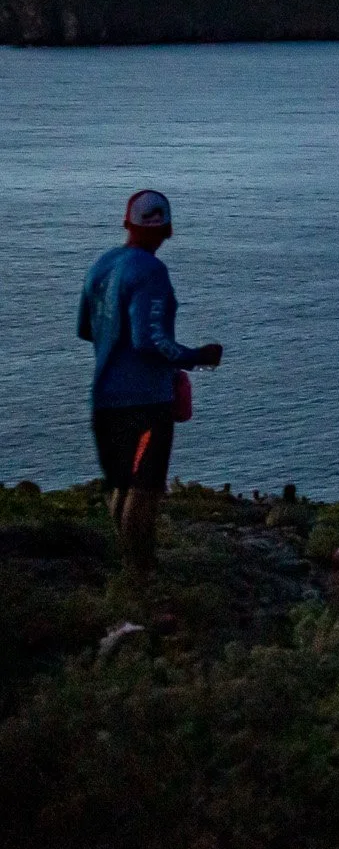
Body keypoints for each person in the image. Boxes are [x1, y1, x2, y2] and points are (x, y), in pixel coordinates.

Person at [77, 190, 223, 576]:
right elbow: (149, 340)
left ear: (127, 222)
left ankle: (126, 571)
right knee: (144, 488)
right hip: (144, 401)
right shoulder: (150, 272)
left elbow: (85, 329)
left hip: (104, 398)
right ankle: (140, 572)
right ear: (169, 229)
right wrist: (198, 356)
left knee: (120, 484)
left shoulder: (102, 265)